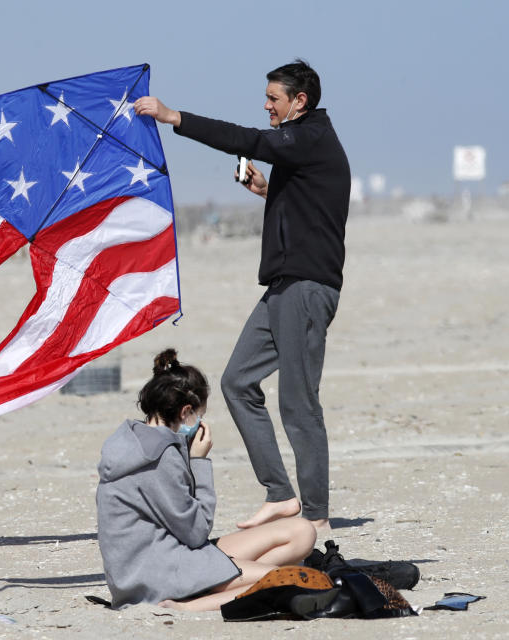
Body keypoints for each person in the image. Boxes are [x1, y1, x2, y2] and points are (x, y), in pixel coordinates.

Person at [134, 60, 350, 532]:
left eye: (274, 99)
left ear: (300, 102)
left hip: (307, 287)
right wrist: (266, 190)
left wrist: (176, 118)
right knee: (236, 383)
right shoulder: (302, 146)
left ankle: (316, 514)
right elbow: (310, 204)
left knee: (298, 402)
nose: (266, 105)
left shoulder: (312, 137)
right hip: (282, 286)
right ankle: (280, 493)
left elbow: (251, 140)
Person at [95, 349, 317, 610]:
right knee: (289, 580)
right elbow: (196, 532)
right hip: (157, 575)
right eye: (198, 415)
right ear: (185, 411)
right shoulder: (158, 456)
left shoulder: (136, 439)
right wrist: (199, 462)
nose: (199, 422)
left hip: (165, 557)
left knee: (302, 533)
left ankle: (221, 580)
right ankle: (188, 604)